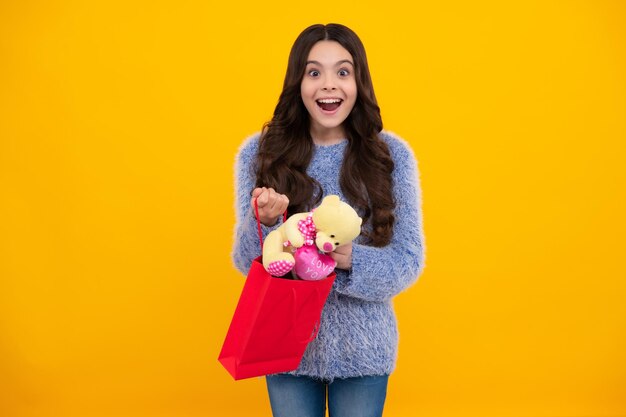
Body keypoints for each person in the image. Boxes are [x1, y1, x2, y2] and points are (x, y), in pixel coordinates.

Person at [231, 23, 425, 417]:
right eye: (314, 72)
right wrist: (268, 224)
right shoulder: (261, 153)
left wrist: (349, 258)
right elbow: (244, 261)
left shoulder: (392, 157)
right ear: (297, 82)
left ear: (359, 81)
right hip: (283, 345)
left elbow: (409, 260)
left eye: (343, 71)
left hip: (364, 350)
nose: (328, 86)